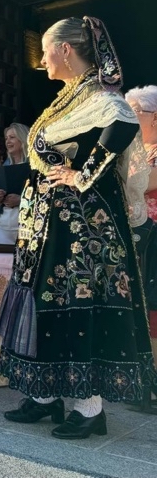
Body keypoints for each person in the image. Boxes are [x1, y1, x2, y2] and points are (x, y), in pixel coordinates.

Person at [0, 16, 156, 440]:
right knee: (45, 301)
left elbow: (121, 124)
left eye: (46, 49)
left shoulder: (98, 94)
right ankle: (45, 396)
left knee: (75, 303)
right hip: (49, 223)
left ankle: (89, 409)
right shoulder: (69, 96)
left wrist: (82, 175)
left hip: (81, 228)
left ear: (65, 49)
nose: (43, 59)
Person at [125, 85, 157, 363]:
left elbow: (147, 183)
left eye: (134, 111)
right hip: (135, 235)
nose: (129, 116)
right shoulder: (135, 151)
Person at [0, 123, 31, 244]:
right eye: (6, 138)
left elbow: (45, 197)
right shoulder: (2, 168)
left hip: (26, 225)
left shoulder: (34, 167)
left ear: (23, 139)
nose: (8, 141)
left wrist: (21, 200)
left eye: (12, 137)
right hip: (3, 225)